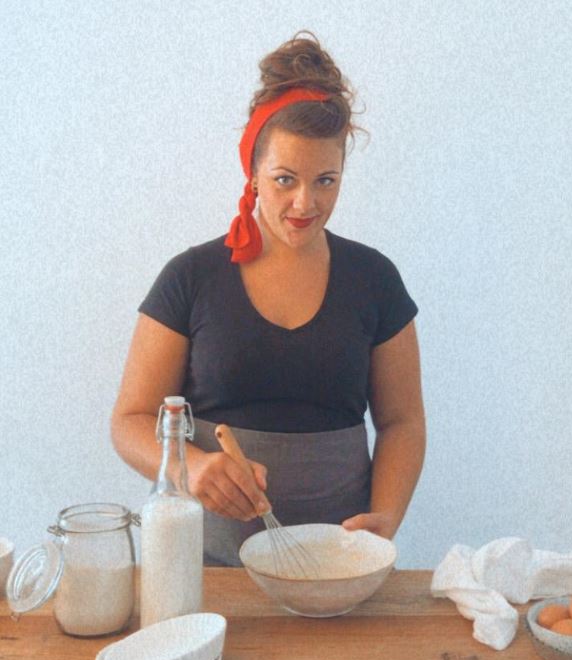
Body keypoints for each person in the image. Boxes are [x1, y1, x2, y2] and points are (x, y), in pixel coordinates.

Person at [111, 32, 426, 567]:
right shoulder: (190, 277)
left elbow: (402, 422)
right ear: (253, 173)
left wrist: (386, 518)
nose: (306, 202)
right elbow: (130, 419)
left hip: (339, 566)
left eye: (326, 181)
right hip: (207, 570)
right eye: (285, 180)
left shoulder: (375, 279)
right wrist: (193, 467)